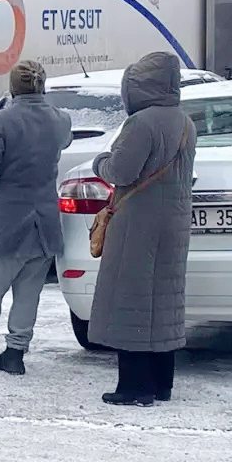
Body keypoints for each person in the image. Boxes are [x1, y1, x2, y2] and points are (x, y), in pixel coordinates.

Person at [88, 52, 195, 407]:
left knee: (130, 297)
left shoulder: (141, 124)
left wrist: (100, 161)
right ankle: (162, 383)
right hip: (174, 221)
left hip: (138, 220)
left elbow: (121, 171)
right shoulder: (184, 122)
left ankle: (133, 386)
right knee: (164, 301)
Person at [0, 60, 72, 376]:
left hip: (4, 220)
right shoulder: (60, 120)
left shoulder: (2, 122)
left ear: (12, 87)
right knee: (28, 293)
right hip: (43, 221)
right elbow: (65, 141)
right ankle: (15, 353)